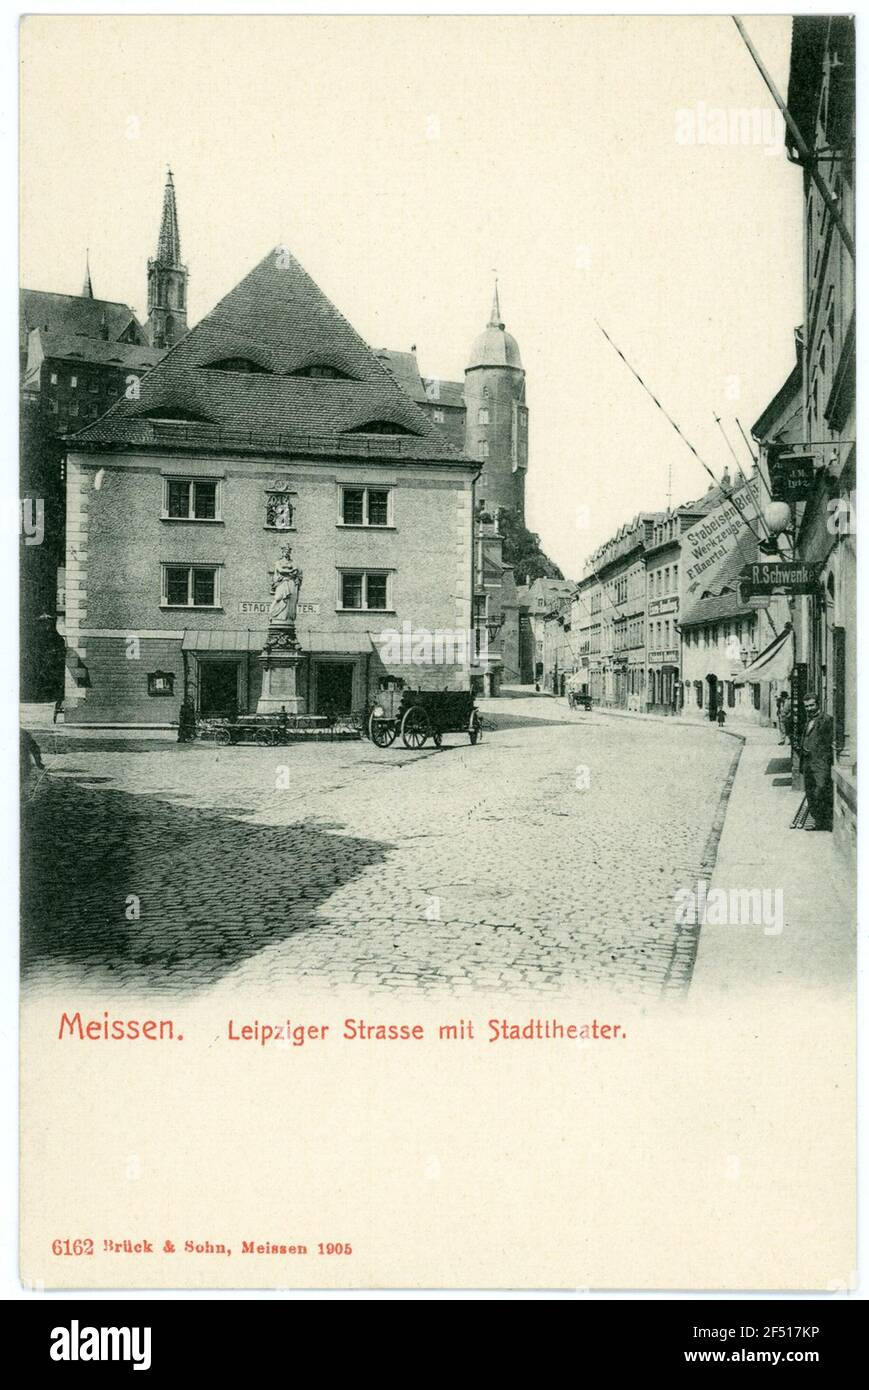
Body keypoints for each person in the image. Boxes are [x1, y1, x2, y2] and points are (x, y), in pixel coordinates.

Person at [800, 695, 834, 831]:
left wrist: (822, 758)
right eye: (807, 706)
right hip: (808, 763)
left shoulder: (826, 720)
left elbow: (828, 742)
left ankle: (825, 822)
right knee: (810, 792)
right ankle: (818, 822)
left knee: (820, 791)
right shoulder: (808, 720)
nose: (809, 709)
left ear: (818, 705)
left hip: (820, 764)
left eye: (811, 705)